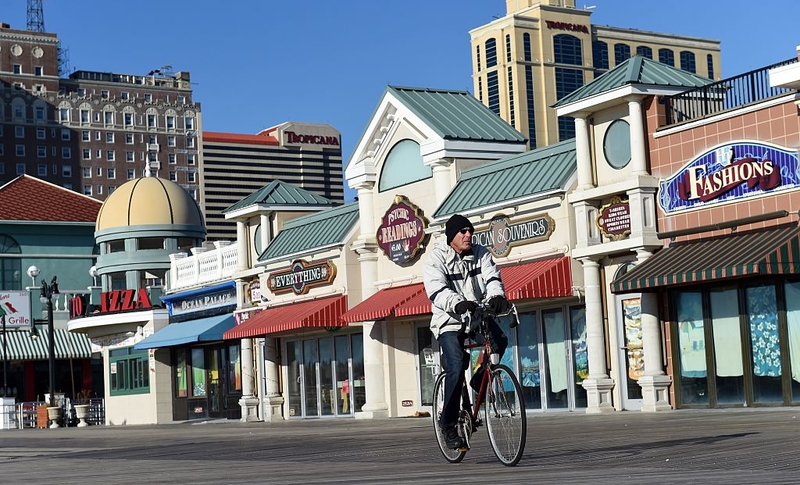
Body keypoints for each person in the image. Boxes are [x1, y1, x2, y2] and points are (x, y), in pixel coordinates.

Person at [423, 214, 510, 450]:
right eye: (462, 232)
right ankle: (448, 424)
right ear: (451, 236)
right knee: (456, 363)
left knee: (500, 340)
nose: (468, 235)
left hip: (476, 316)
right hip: (449, 320)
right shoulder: (436, 258)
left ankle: (479, 379)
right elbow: (436, 290)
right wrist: (457, 303)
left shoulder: (481, 253)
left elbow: (492, 278)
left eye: (470, 231)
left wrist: (497, 297)